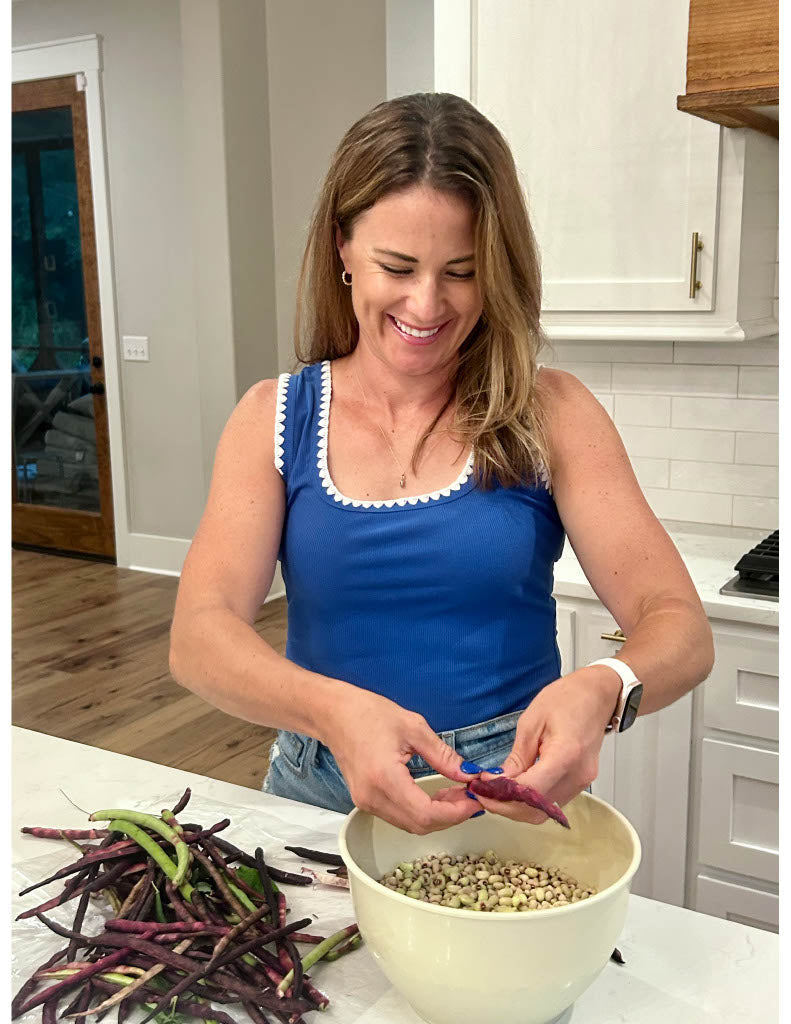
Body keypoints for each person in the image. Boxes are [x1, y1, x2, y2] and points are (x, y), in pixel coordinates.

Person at [169, 93, 714, 835]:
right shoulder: (274, 416)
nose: (426, 305)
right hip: (315, 787)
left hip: (502, 793)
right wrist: (334, 710)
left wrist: (605, 685)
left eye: (461, 271)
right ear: (341, 248)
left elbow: (679, 627)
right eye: (397, 265)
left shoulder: (549, 412)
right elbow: (198, 638)